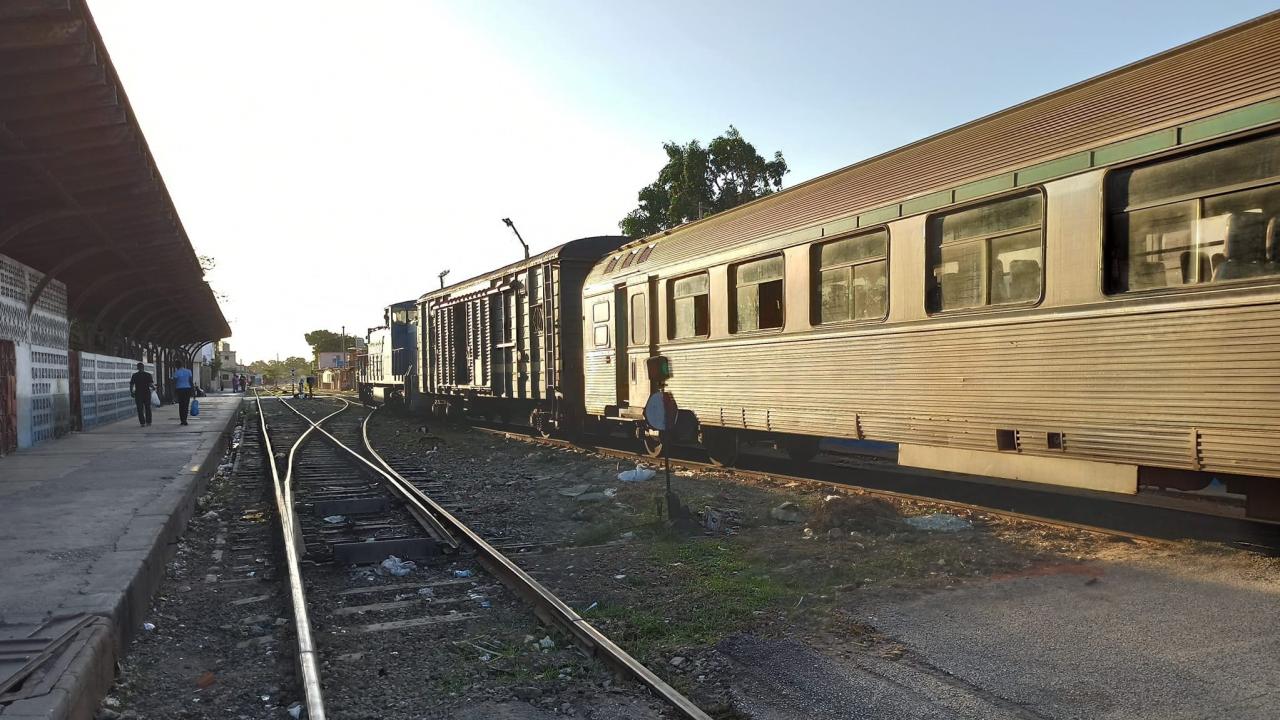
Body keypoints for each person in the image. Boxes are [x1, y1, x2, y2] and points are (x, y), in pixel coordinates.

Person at [129, 362, 153, 427]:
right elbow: (150, 384)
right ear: (143, 367)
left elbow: (131, 384)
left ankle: (142, 423)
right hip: (147, 393)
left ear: (137, 367)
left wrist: (131, 392)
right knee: (148, 408)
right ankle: (149, 422)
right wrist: (153, 388)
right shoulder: (148, 375)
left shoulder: (135, 375)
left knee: (140, 408)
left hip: (138, 393)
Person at [174, 361, 195, 426]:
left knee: (181, 405)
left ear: (176, 366)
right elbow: (191, 381)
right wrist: (193, 391)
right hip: (187, 389)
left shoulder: (176, 372)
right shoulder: (188, 371)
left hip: (179, 389)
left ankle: (182, 420)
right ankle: (185, 420)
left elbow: (174, 382)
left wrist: (174, 392)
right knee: (186, 405)